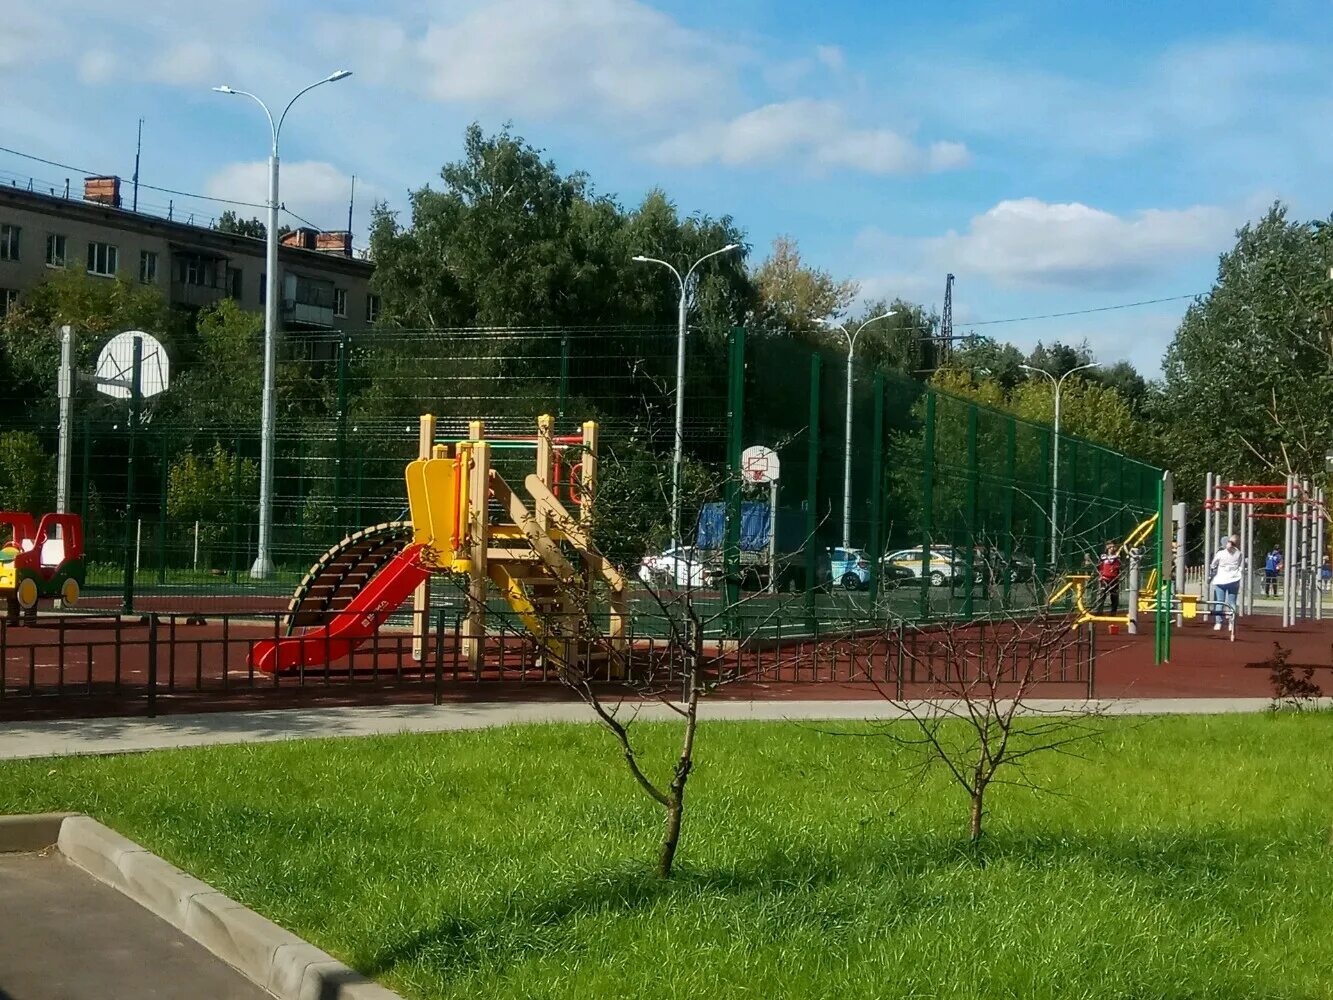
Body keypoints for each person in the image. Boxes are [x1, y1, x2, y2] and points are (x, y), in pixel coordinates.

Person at [1208, 534, 1244, 631]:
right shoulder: (1239, 553)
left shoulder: (1220, 553)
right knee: (1232, 602)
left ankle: (1218, 623)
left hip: (1221, 579)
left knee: (1219, 601)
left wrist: (1212, 571)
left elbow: (1213, 564)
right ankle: (1231, 623)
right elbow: (1240, 565)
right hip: (1234, 579)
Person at [1094, 541, 1122, 615]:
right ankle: (1099, 612)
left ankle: (1113, 612)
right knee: (1102, 596)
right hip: (1104, 579)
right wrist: (1100, 576)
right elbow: (1100, 567)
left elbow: (1118, 566)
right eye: (1110, 547)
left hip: (1114, 579)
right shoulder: (1103, 557)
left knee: (1114, 596)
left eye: (1113, 547)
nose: (1112, 548)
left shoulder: (1117, 558)